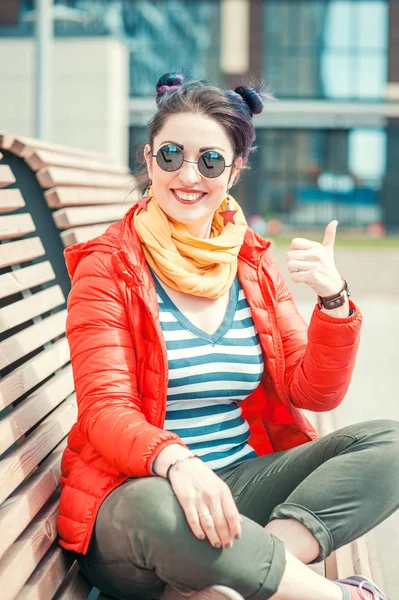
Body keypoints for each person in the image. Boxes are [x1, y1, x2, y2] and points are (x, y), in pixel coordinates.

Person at [57, 73, 399, 600]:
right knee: (159, 510)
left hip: (237, 486)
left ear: (235, 170)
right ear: (149, 159)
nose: (188, 174)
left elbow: (312, 392)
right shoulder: (109, 267)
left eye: (210, 161)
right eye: (171, 155)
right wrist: (178, 463)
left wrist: (333, 301)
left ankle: (229, 575)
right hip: (138, 497)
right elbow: (105, 410)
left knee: (390, 443)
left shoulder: (249, 260)